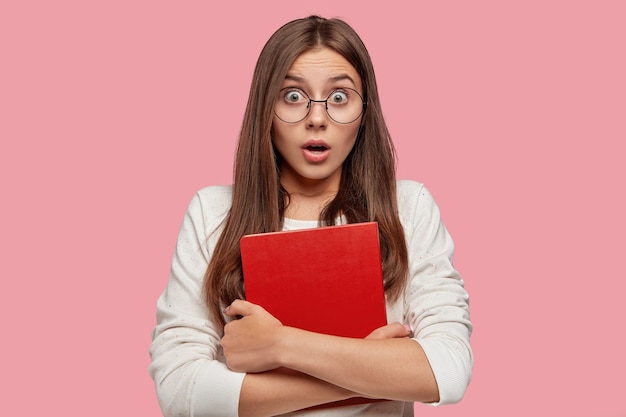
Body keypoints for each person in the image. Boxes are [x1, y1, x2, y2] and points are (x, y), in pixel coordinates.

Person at [149, 15, 473, 417]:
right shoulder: (213, 213)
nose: (316, 118)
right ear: (264, 110)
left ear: (364, 110)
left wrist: (280, 344)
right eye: (292, 96)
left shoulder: (407, 208)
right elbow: (182, 392)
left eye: (339, 97)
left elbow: (447, 371)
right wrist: (374, 370)